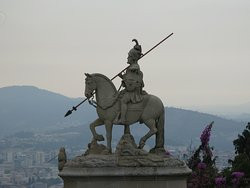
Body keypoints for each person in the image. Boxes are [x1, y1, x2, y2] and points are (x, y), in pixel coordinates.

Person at [117, 39, 147, 124]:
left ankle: (122, 118)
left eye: (129, 56)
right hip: (129, 90)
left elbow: (131, 81)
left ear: (133, 58)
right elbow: (127, 79)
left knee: (123, 101)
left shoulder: (134, 68)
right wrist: (122, 77)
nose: (127, 58)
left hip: (133, 92)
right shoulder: (130, 68)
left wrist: (124, 77)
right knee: (117, 97)